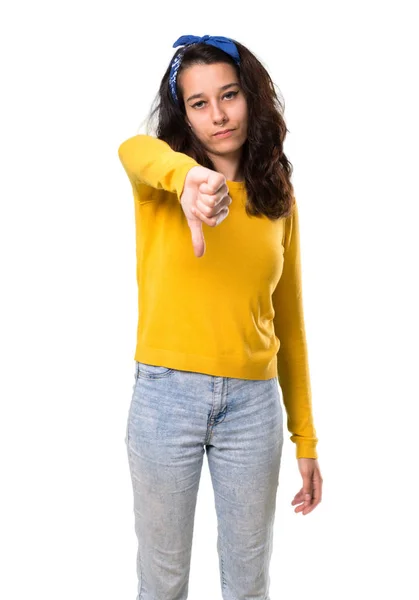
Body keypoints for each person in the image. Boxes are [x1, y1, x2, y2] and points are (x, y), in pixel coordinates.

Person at [118, 34, 323, 600]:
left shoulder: (277, 195)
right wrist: (187, 180)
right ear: (183, 113)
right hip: (165, 400)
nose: (218, 114)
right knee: (161, 584)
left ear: (250, 98)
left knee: (248, 584)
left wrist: (305, 437)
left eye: (228, 95)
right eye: (199, 102)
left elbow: (290, 321)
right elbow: (133, 149)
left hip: (253, 410)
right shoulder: (161, 185)